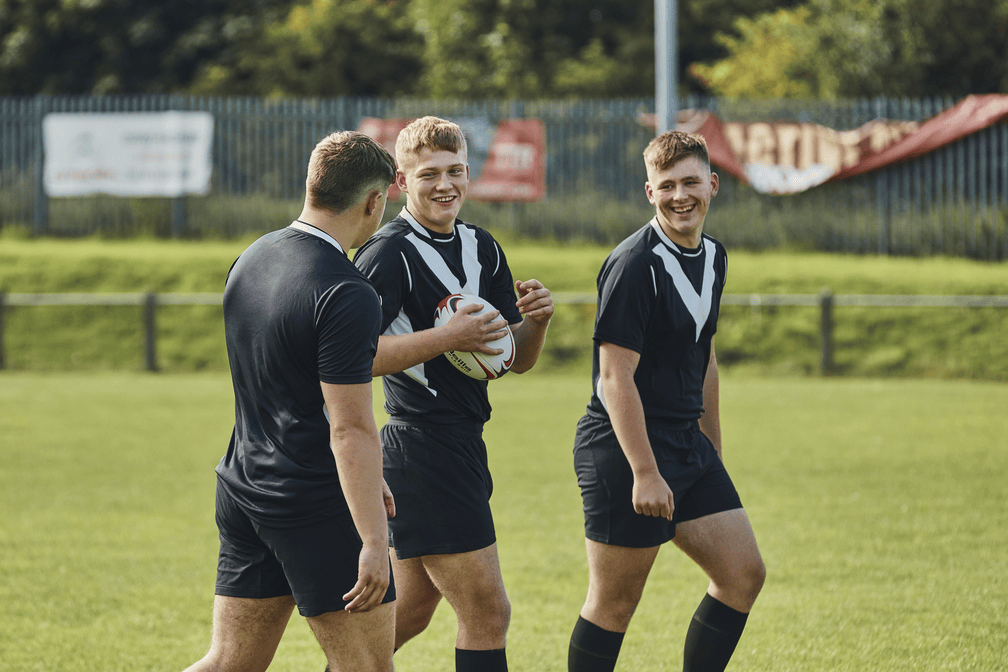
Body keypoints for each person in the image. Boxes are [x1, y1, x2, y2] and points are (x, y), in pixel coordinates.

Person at [184, 131, 398, 672]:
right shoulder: (347, 291)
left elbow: (287, 384)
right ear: (374, 202)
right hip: (312, 500)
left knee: (229, 662)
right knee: (367, 667)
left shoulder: (251, 257)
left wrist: (366, 479)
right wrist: (375, 540)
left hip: (243, 488)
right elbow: (350, 429)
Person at [352, 115, 554, 672]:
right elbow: (351, 358)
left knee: (412, 610)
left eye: (456, 171)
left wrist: (535, 324)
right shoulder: (387, 253)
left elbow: (513, 361)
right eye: (430, 174)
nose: (446, 185)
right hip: (421, 447)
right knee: (488, 613)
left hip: (464, 444)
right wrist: (446, 338)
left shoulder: (482, 247)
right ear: (401, 181)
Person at [567, 130, 766, 672]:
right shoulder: (635, 264)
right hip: (624, 447)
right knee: (614, 604)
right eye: (668, 185)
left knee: (742, 574)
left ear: (713, 185)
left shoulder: (714, 256)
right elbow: (614, 379)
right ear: (650, 192)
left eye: (691, 182)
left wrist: (712, 448)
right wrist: (645, 471)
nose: (681, 196)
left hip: (686, 443)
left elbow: (705, 358)